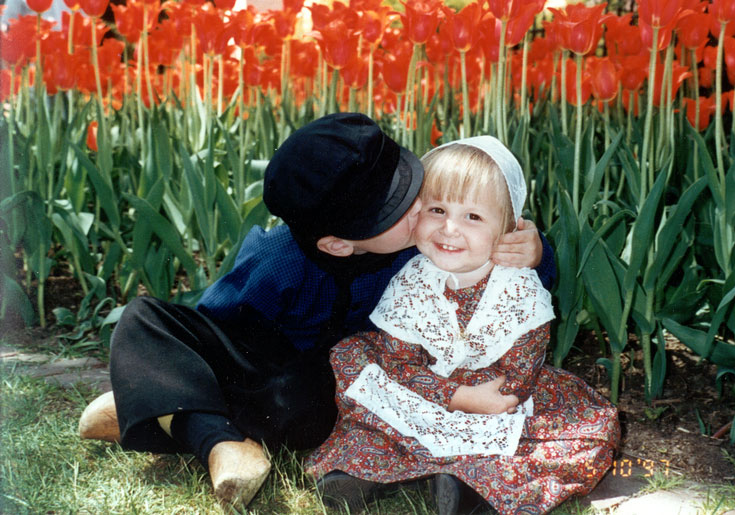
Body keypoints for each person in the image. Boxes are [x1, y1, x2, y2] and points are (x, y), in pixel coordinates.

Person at [77, 114, 556, 509]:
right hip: (259, 365)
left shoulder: (428, 248)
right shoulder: (278, 261)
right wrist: (191, 364)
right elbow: (213, 326)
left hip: (317, 392)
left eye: (410, 184)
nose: (420, 207)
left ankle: (168, 410)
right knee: (142, 318)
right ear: (337, 244)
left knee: (311, 386)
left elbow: (507, 284)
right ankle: (215, 437)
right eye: (399, 206)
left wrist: (535, 251)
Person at [306, 136, 620, 515]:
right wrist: (454, 398)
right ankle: (361, 472)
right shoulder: (412, 279)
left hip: (495, 402)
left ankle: (466, 484)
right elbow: (397, 361)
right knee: (356, 363)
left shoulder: (518, 290)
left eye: (472, 216)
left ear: (508, 228)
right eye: (437, 209)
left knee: (590, 429)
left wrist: (475, 402)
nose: (449, 229)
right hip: (424, 393)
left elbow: (516, 382)